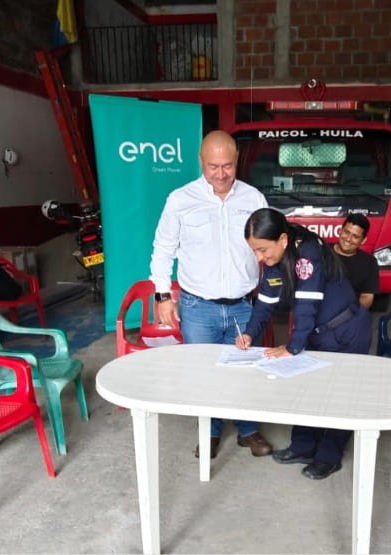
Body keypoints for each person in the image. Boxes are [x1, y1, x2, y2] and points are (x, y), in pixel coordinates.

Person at [149, 130, 272, 459]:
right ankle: (211, 432)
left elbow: (271, 245)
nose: (220, 174)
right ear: (201, 161)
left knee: (245, 369)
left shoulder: (253, 199)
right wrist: (163, 296)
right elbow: (163, 249)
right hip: (197, 307)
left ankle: (247, 430)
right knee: (204, 375)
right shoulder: (180, 200)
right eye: (213, 166)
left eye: (227, 166)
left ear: (237, 161)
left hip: (243, 306)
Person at [236, 208, 372, 480]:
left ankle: (328, 457)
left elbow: (307, 305)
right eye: (254, 251)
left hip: (346, 331)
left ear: (283, 239)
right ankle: (303, 447)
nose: (259, 257)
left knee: (339, 394)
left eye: (262, 250)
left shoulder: (308, 251)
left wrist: (292, 347)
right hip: (317, 333)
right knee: (308, 389)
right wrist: (250, 333)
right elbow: (265, 302)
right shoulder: (275, 260)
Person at [334, 213, 380, 310]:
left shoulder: (369, 263)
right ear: (340, 231)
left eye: (355, 236)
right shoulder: (322, 252)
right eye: (346, 232)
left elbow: (366, 297)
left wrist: (351, 314)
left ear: (363, 241)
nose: (348, 239)